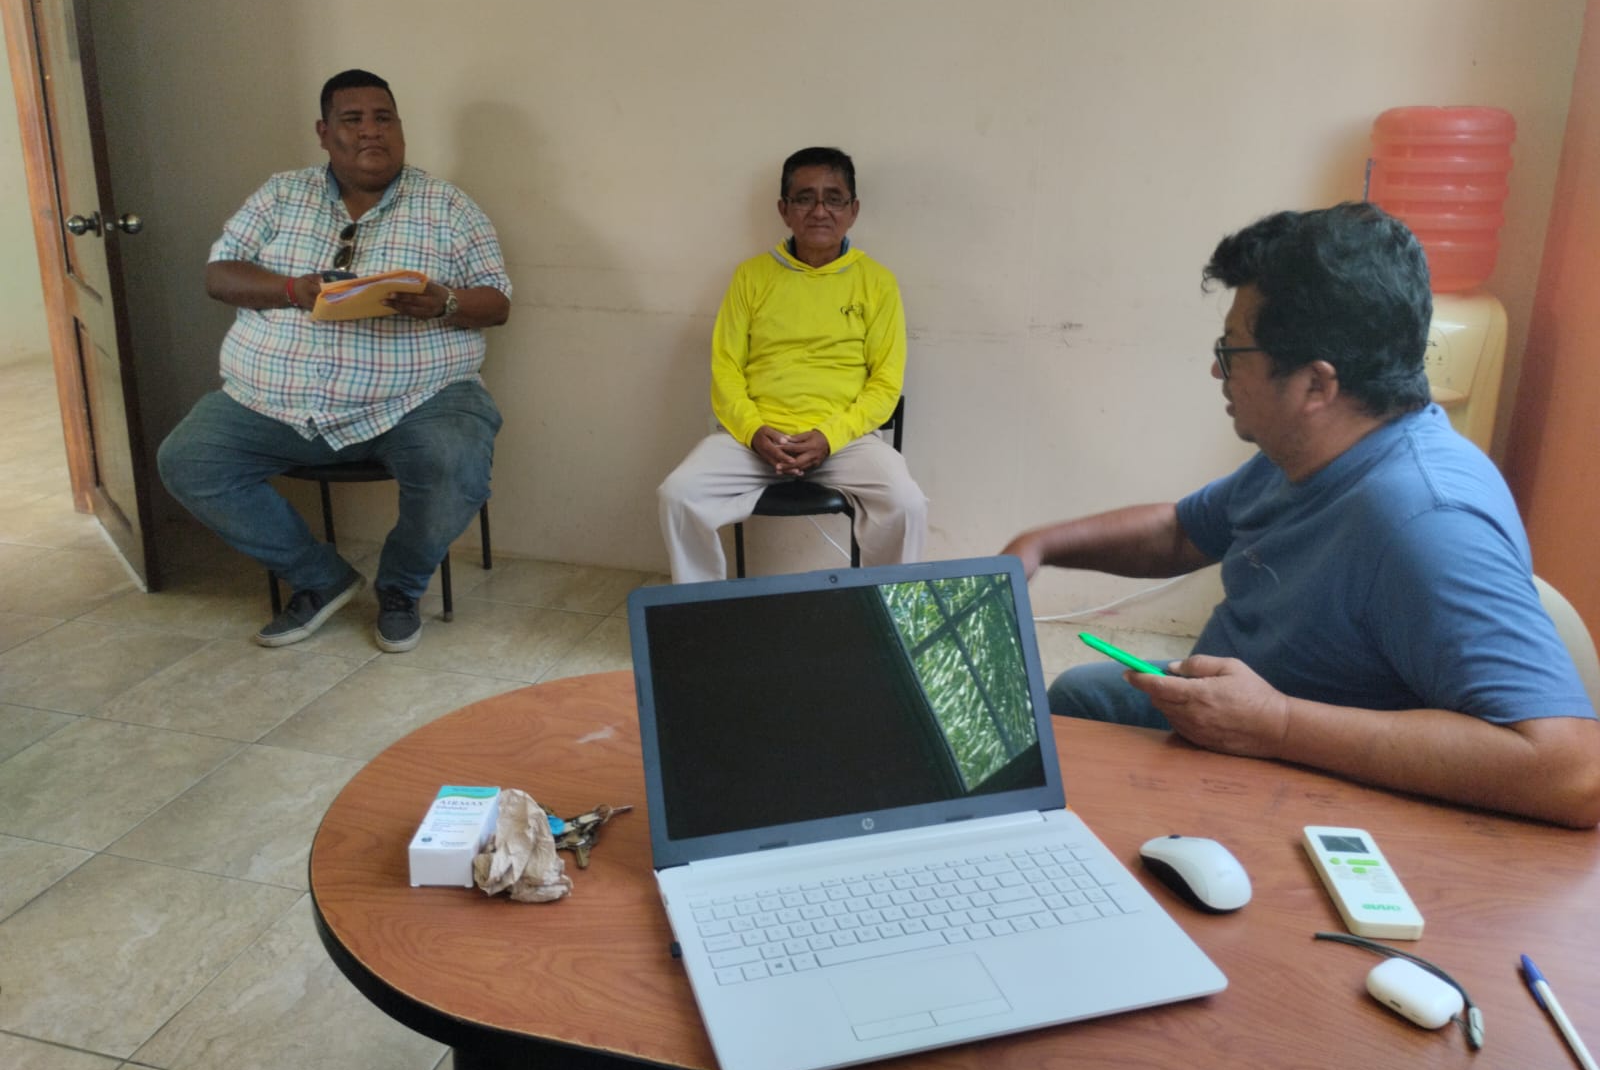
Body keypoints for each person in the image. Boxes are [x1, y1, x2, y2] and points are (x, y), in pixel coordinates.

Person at [1002, 203, 1600, 828]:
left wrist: (1279, 724)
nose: (1217, 370)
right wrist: (1041, 544)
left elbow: (1572, 771)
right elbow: (1182, 532)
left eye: (1232, 351)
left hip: (1294, 789)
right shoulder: (1313, 447)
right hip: (1233, 727)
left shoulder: (1426, 522)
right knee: (1077, 698)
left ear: (1317, 385)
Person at [158, 69, 511, 653]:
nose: (372, 131)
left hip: (416, 400)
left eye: (384, 118)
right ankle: (320, 578)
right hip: (271, 402)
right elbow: (220, 275)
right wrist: (293, 290)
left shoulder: (448, 206)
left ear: (400, 127)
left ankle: (400, 589)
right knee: (188, 460)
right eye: (353, 120)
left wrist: (444, 301)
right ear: (324, 133)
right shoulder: (280, 194)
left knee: (455, 462)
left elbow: (497, 303)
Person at [658, 147, 927, 583]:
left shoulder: (877, 282)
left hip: (844, 440)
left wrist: (828, 437)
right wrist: (753, 431)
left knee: (906, 502)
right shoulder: (751, 277)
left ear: (853, 210)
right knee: (678, 495)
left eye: (833, 198)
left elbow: (885, 384)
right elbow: (725, 371)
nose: (819, 211)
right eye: (804, 198)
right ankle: (700, 608)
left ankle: (883, 607)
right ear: (784, 210)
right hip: (757, 438)